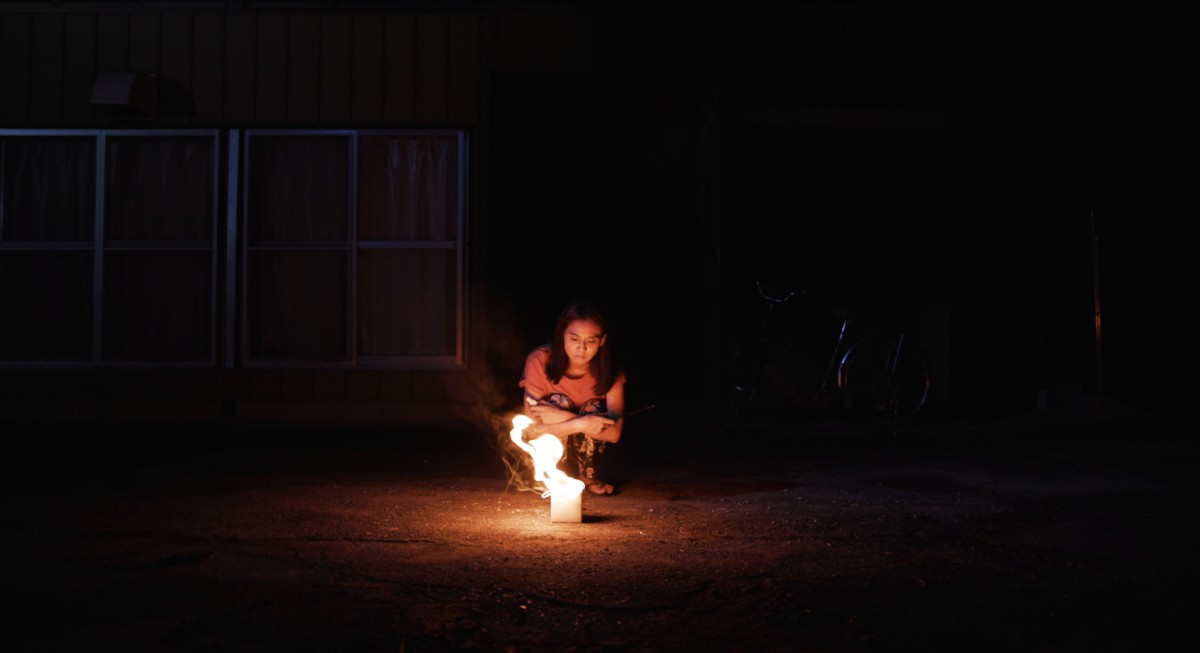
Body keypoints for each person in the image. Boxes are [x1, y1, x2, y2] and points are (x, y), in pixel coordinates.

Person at [519, 299, 626, 495]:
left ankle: (588, 476)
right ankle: (556, 475)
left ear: (602, 341)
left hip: (587, 439)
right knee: (558, 401)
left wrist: (569, 418)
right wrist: (579, 423)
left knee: (595, 409)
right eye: (575, 339)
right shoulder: (539, 360)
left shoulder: (610, 371)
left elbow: (614, 434)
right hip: (554, 446)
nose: (581, 348)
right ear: (562, 335)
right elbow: (532, 430)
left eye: (591, 341)